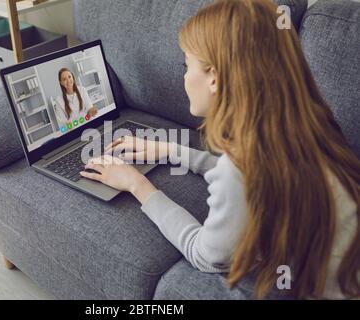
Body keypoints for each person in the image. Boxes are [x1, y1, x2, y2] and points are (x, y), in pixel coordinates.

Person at [80, 0, 360, 299]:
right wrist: (169, 150)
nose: (185, 76)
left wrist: (136, 183)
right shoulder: (304, 124)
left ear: (214, 76)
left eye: (187, 65)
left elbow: (205, 255)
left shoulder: (241, 166)